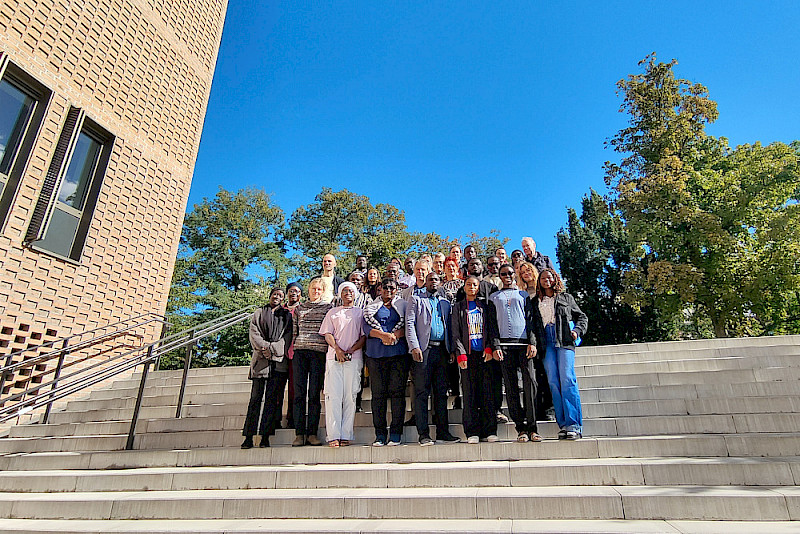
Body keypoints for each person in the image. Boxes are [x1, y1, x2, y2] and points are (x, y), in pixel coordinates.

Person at [528, 268, 588, 440]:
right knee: (553, 382)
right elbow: (532, 325)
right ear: (539, 281)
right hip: (546, 342)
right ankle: (563, 425)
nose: (546, 280)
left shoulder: (565, 298)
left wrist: (577, 330)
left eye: (549, 277)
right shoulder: (534, 301)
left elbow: (582, 317)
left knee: (567, 379)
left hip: (564, 340)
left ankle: (574, 424)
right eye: (543, 278)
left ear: (555, 279)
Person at [489, 264, 541, 443]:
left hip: (524, 345)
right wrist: (495, 346)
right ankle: (521, 428)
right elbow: (492, 324)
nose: (507, 276)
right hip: (504, 346)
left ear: (514, 274)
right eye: (503, 274)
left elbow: (531, 320)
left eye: (510, 273)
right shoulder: (494, 297)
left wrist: (532, 342)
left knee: (530, 384)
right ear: (500, 276)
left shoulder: (524, 295)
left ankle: (533, 427)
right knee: (511, 387)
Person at [405, 272, 460, 445]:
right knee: (422, 392)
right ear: (425, 283)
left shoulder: (444, 302)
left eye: (436, 279)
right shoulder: (416, 300)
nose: (433, 282)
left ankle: (443, 432)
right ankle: (424, 434)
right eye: (430, 280)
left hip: (442, 351)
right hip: (424, 351)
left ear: (440, 282)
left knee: (441, 393)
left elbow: (449, 326)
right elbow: (409, 323)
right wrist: (414, 346)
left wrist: (451, 349)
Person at [242, 288, 293, 448]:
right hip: (260, 362)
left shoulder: (286, 316)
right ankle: (249, 436)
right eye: (274, 294)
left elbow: (287, 336)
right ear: (270, 296)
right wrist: (264, 348)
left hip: (277, 364)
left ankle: (265, 436)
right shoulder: (259, 312)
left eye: (280, 295)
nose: (277, 297)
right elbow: (254, 333)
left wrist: (272, 349)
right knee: (255, 399)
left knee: (272, 400)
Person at [451, 276, 498, 444]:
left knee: (487, 392)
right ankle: (472, 432)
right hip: (467, 356)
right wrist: (461, 353)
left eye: (475, 285)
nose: (471, 287)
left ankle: (489, 430)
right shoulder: (458, 308)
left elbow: (491, 328)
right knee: (469, 394)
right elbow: (455, 333)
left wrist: (488, 347)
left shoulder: (485, 306)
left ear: (478, 288)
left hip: (484, 355)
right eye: (469, 284)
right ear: (464, 287)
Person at [364, 277, 410, 446]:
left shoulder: (403, 306)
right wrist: (383, 335)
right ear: (380, 289)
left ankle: (396, 432)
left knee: (397, 394)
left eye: (391, 288)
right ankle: (380, 434)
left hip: (398, 354)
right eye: (385, 288)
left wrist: (395, 335)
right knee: (378, 395)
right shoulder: (371, 307)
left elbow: (410, 324)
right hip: (376, 355)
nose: (388, 290)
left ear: (396, 289)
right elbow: (366, 328)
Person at [320, 282, 366, 447]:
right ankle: (333, 435)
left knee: (350, 397)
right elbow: (327, 334)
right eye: (345, 290)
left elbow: (363, 336)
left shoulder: (360, 313)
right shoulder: (332, 312)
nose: (348, 293)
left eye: (351, 291)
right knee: (333, 396)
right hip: (334, 358)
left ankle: (346, 434)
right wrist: (338, 350)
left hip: (354, 359)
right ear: (340, 294)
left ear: (355, 294)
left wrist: (351, 350)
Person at [291, 278, 332, 446]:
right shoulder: (300, 308)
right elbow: (294, 330)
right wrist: (293, 348)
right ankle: (299, 433)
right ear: (308, 290)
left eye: (319, 289)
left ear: (323, 291)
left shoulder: (327, 308)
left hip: (318, 352)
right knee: (299, 394)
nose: (316, 291)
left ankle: (312, 433)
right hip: (300, 351)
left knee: (314, 394)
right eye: (313, 289)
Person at [282, 281, 303, 430]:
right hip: (279, 353)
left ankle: (293, 417)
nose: (293, 293)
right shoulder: (281, 310)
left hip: (295, 352)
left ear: (300, 294)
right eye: (291, 291)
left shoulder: (303, 309)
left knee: (294, 388)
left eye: (296, 291)